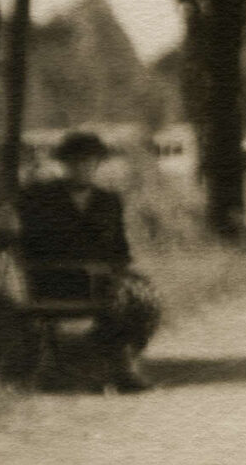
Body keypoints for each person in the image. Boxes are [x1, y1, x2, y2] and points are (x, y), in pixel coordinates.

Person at [14, 131, 160, 392]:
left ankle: (120, 366)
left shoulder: (108, 201)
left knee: (143, 300)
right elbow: (30, 246)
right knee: (119, 299)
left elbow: (120, 248)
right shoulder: (40, 198)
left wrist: (118, 270)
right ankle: (99, 368)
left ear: (97, 164)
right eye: (75, 162)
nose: (82, 168)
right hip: (54, 279)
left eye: (89, 162)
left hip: (103, 280)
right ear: (64, 164)